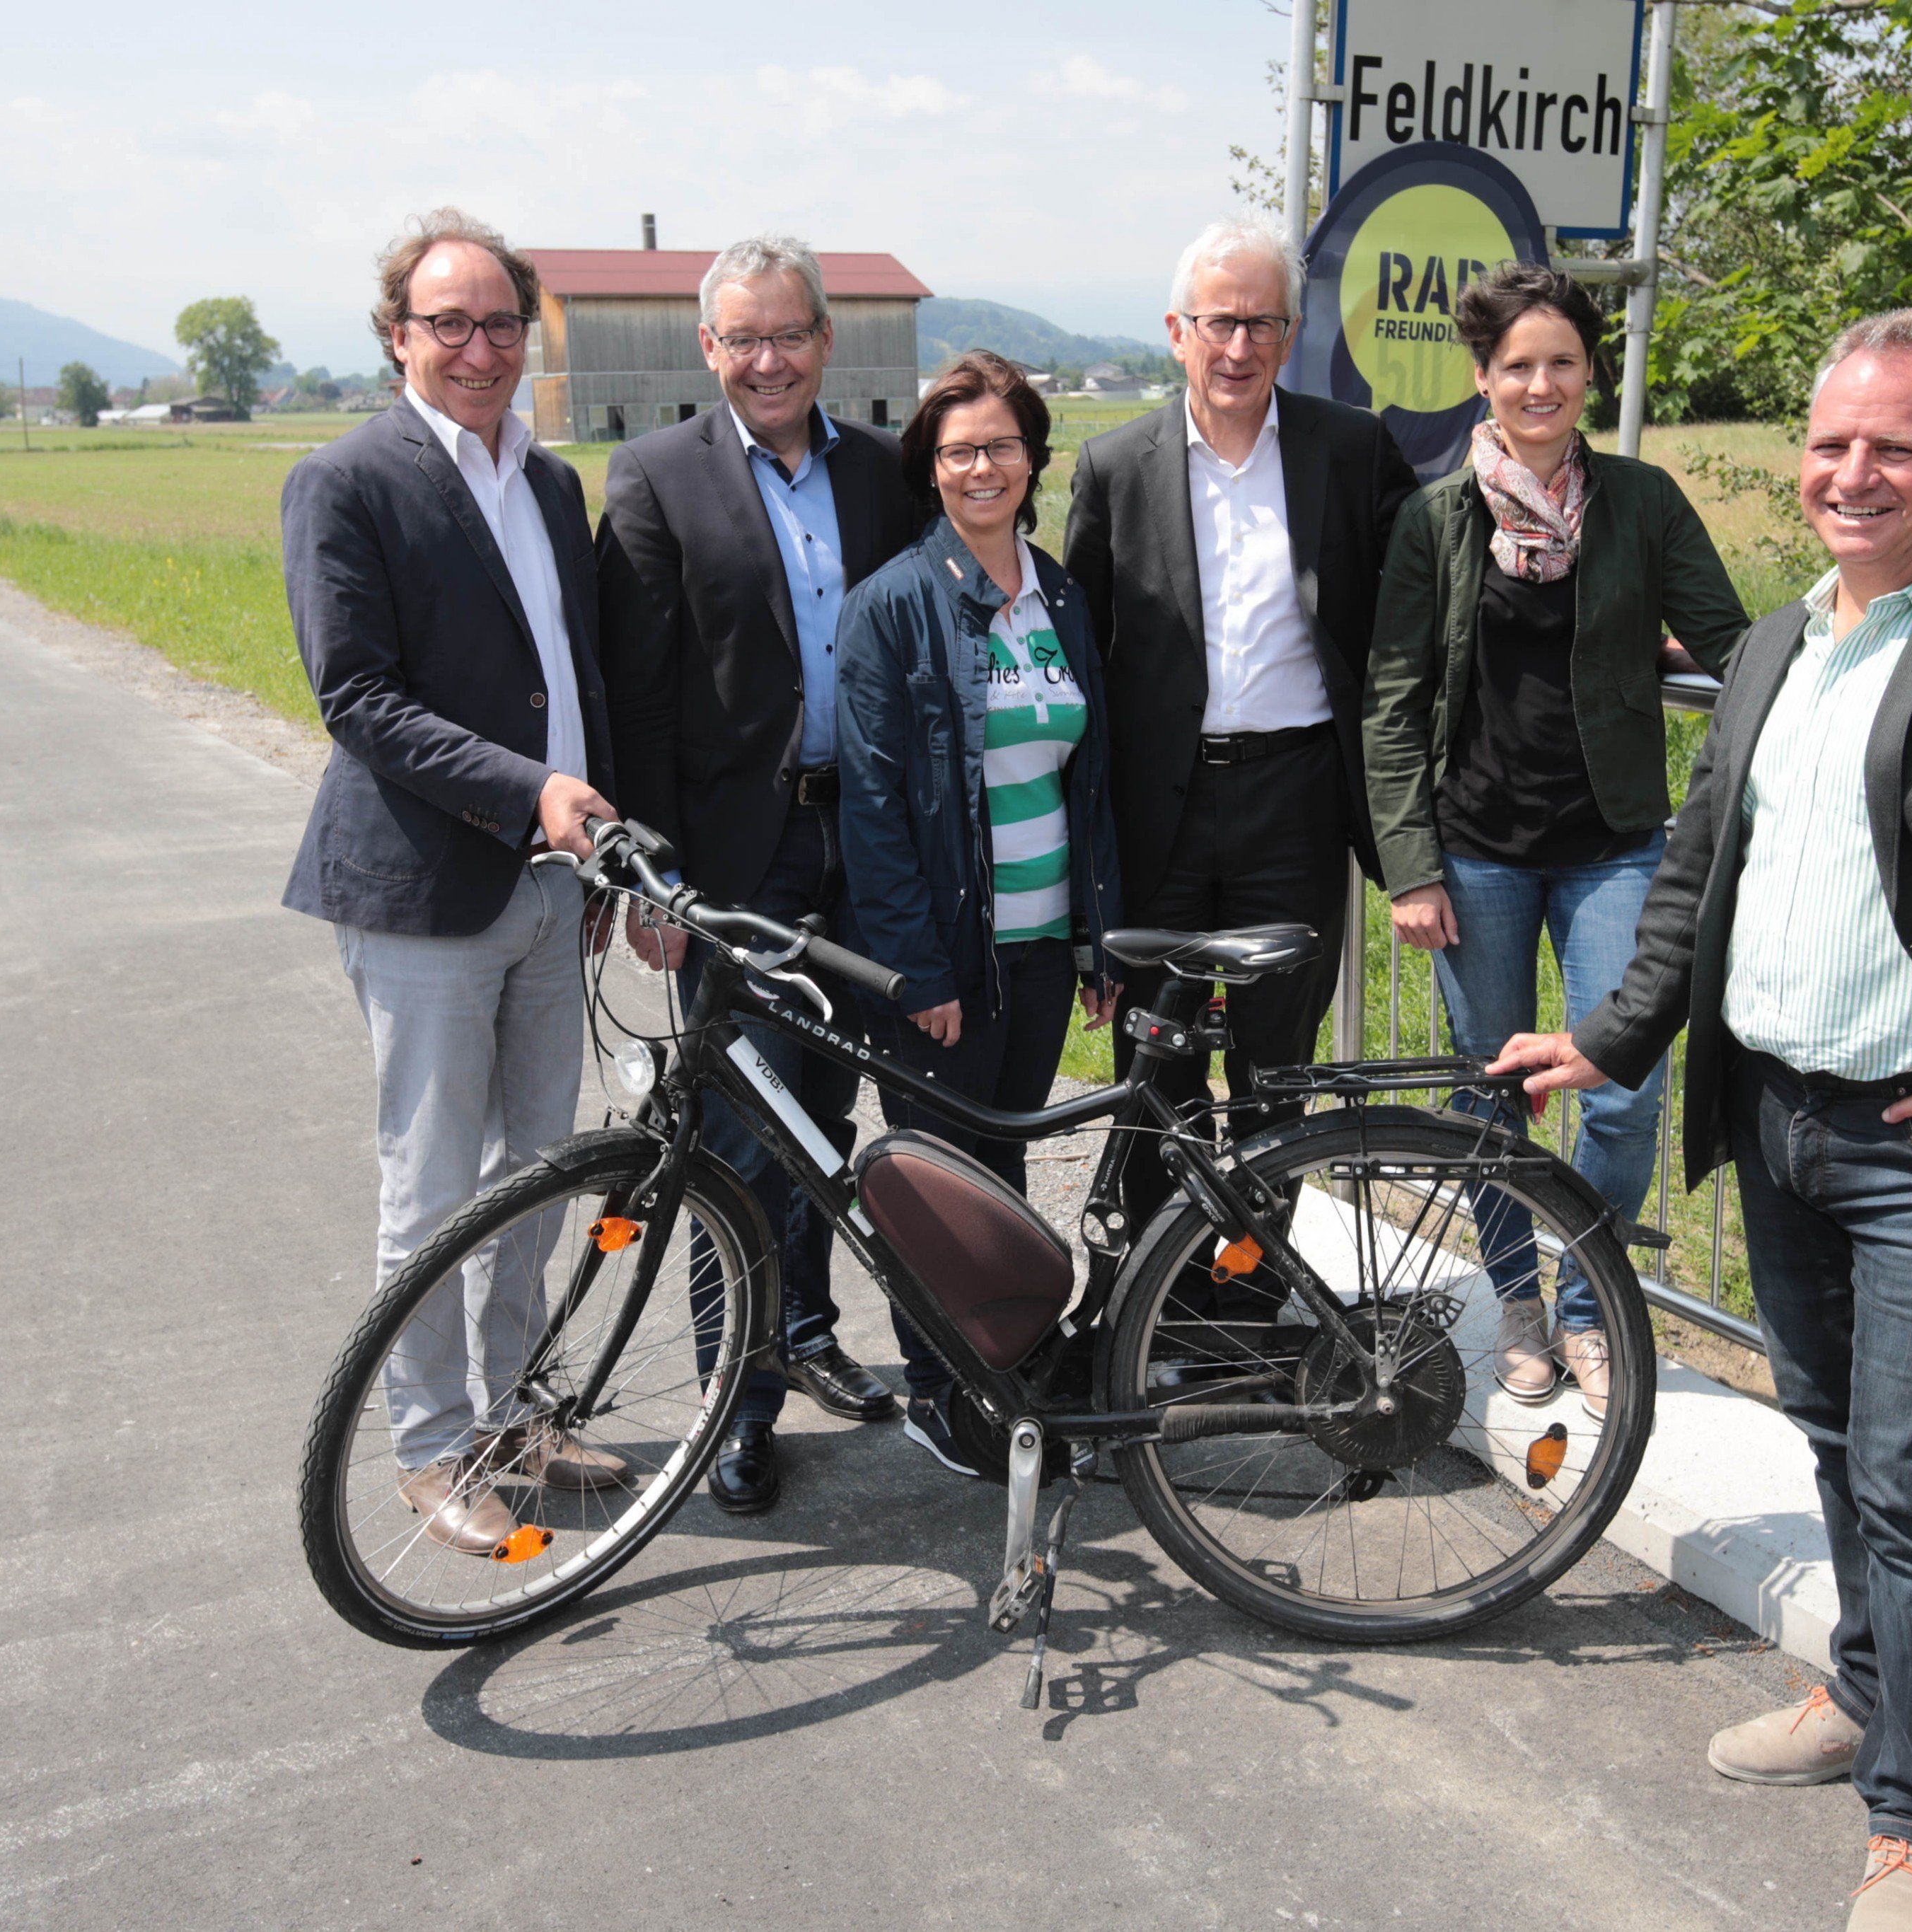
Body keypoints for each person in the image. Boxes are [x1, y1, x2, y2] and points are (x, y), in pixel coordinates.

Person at [1490, 309, 1912, 1930]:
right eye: (1831, 442)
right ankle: (1866, 1687)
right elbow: (1697, 873)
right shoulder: (1783, 640)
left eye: (1895, 447)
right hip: (1775, 1122)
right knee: (1841, 1440)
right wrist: (1611, 1035)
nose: (1849, 474)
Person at [282, 208, 627, 1556]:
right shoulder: (347, 480)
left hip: (555, 890)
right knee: (431, 1191)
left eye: (501, 324)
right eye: (450, 324)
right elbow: (356, 697)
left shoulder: (548, 483)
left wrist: (605, 841)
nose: (480, 349)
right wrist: (525, 788)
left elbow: (578, 681)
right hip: (423, 891)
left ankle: (517, 1414)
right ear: (397, 335)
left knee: (536, 1175)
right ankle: (430, 1449)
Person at [1362, 261, 1749, 1418]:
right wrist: (1410, 865)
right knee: (1492, 1093)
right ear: (1484, 378)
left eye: (1563, 364)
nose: (1542, 384)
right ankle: (1515, 1305)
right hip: (1473, 852)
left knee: (1622, 1087)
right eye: (1518, 365)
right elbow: (1390, 697)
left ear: (1592, 375)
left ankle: (1590, 1304)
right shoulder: (1435, 519)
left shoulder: (1642, 503)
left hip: (1615, 844)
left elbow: (1734, 640)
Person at [596, 234, 925, 1515]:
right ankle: (738, 1399)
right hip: (739, 854)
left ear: (826, 340)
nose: (770, 358)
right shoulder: (654, 477)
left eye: (791, 334)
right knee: (736, 1133)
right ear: (709, 349)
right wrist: (652, 882)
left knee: (832, 1113)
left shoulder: (886, 474)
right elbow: (638, 691)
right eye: (744, 339)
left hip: (870, 844)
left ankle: (812, 1334)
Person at [1064, 213, 1418, 1258]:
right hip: (1160, 809)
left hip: (1296, 801)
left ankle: (1257, 1297)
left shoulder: (1350, 451)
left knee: (1277, 1068)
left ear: (1292, 332)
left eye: (1262, 323)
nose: (1239, 347)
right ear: (1177, 330)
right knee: (1158, 1062)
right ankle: (1152, 1302)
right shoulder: (1115, 466)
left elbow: (1427, 583)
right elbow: (1082, 642)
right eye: (1219, 322)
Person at [837, 352, 1124, 1471]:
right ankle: (941, 1396)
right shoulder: (894, 607)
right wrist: (917, 969)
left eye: (1001, 445)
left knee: (998, 1183)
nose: (981, 467)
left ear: (1033, 457)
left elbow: (1085, 783)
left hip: (1045, 946)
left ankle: (1001, 1383)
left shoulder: (1059, 595)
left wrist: (1096, 937)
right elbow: (873, 807)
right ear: (932, 469)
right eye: (958, 451)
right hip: (948, 958)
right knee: (929, 1182)